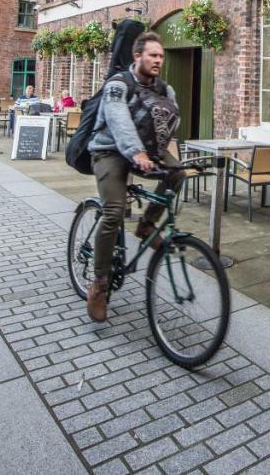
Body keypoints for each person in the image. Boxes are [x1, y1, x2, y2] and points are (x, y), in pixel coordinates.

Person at [86, 30, 182, 322]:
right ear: (137, 56)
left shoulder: (164, 88)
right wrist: (135, 152)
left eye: (161, 56)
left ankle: (146, 224)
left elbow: (171, 118)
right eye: (153, 55)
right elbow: (118, 119)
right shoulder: (118, 84)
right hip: (110, 150)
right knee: (113, 213)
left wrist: (160, 151)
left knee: (179, 175)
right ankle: (100, 284)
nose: (158, 60)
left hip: (147, 149)